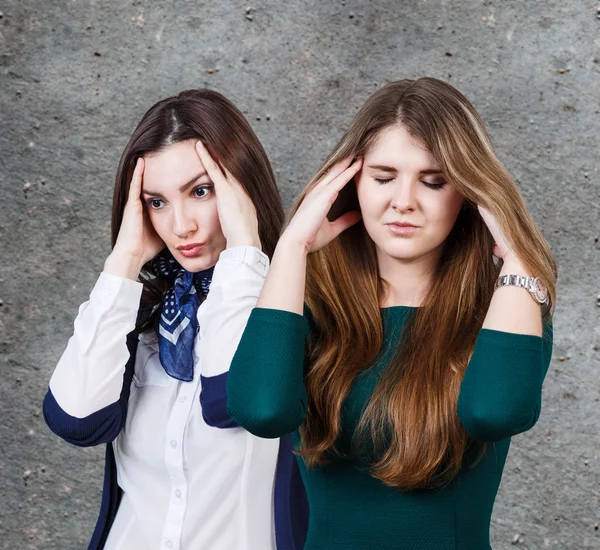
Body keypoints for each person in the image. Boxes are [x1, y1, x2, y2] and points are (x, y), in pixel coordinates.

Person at [227, 77, 556, 549]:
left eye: (433, 181)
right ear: (350, 183)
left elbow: (493, 412)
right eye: (383, 177)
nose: (403, 201)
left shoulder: (508, 302)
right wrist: (291, 250)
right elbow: (261, 410)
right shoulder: (307, 297)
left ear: (469, 193)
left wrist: (520, 260)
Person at [43, 89, 307, 550]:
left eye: (200, 191)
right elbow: (76, 421)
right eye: (157, 202)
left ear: (241, 189)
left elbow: (233, 401)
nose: (180, 225)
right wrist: (124, 260)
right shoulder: (142, 320)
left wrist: (245, 244)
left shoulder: (292, 318)